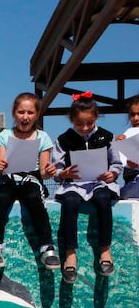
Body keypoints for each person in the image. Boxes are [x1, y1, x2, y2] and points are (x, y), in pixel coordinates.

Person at [0, 93, 61, 272]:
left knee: (34, 196)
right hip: (9, 178)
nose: (25, 117)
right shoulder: (4, 136)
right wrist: (0, 166)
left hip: (32, 178)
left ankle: (47, 246)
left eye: (30, 112)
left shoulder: (42, 137)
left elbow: (43, 172)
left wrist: (49, 172)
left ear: (36, 114)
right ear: (14, 113)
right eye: (21, 112)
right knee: (0, 197)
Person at [52, 93, 120, 282]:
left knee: (103, 199)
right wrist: (63, 174)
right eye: (79, 124)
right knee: (70, 203)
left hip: (99, 183)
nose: (84, 128)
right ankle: (70, 253)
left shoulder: (106, 136)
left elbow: (116, 163)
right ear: (72, 120)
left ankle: (105, 250)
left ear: (95, 118)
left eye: (89, 123)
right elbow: (57, 168)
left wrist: (112, 174)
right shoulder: (63, 140)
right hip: (74, 185)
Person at [118, 94, 139, 199]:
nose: (136, 118)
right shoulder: (127, 134)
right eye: (132, 114)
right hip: (131, 181)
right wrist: (115, 146)